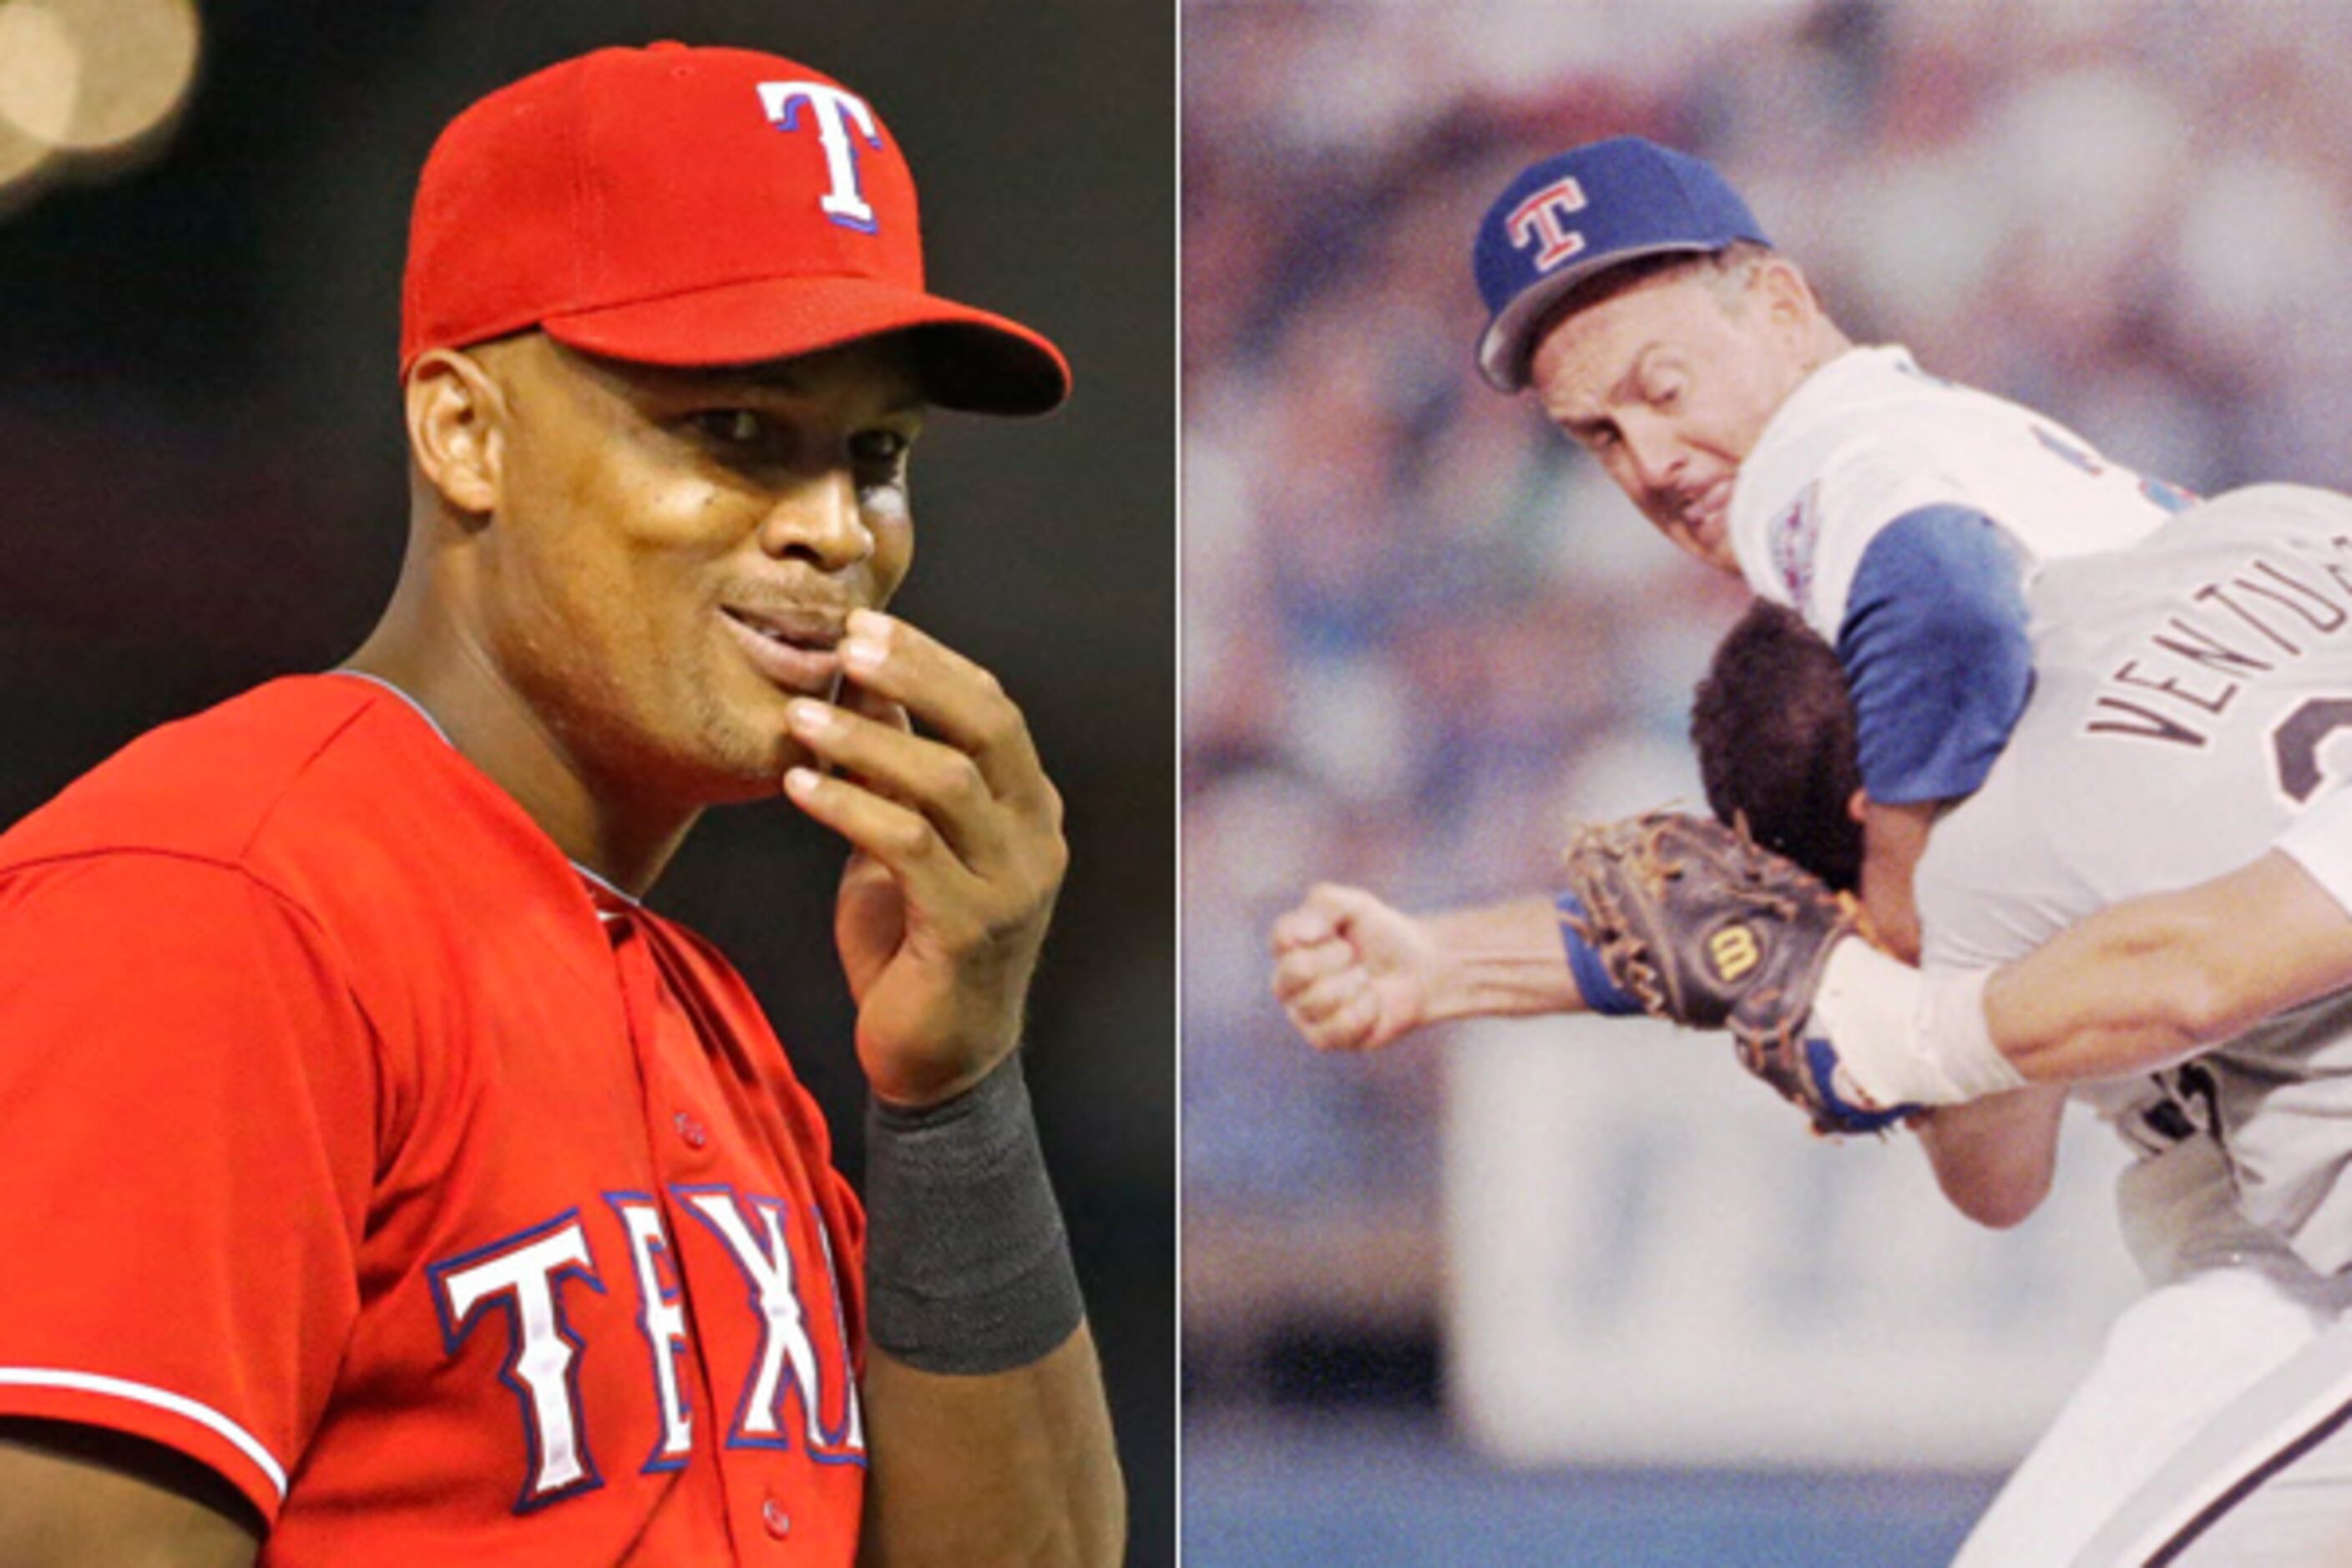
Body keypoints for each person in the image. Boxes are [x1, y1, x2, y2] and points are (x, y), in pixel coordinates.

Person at [0, 43, 1122, 1567]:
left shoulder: (709, 1018)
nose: (828, 528)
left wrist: (956, 1089)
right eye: (732, 432)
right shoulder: (219, 898)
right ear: (466, 433)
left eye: (873, 455)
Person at [1275, 483, 2352, 1562]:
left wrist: (1895, 1024)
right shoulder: (2217, 534)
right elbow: (1759, 930)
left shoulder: (1989, 857)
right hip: (2278, 1263)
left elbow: (2007, 1160)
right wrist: (1453, 960)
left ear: (1871, 808)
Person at [1472, 134, 2198, 953]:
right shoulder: (1932, 424)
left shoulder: (1819, 451)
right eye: (1601, 435)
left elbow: (1949, 601)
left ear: (1783, 307)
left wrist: (1894, 917)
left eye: (1666, 387)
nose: (1649, 462)